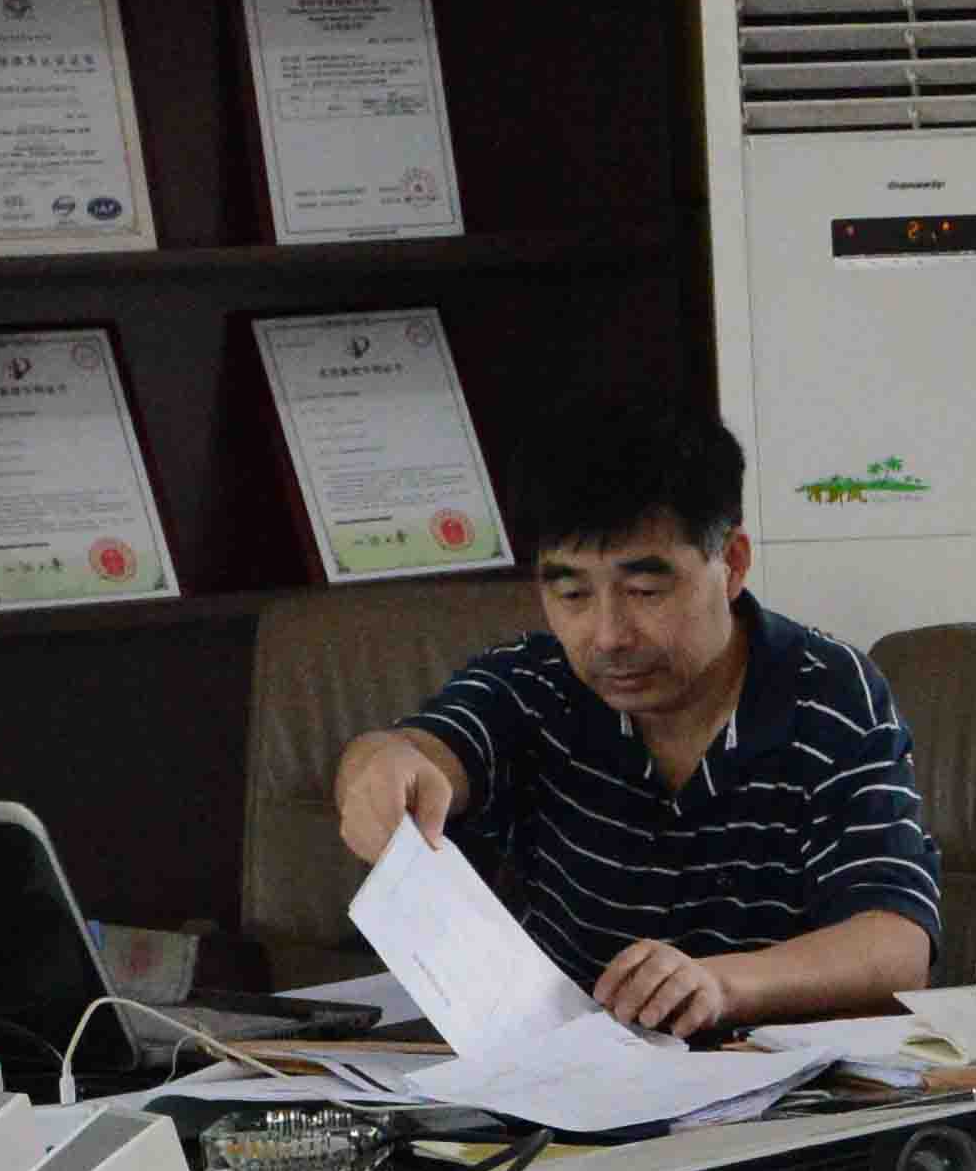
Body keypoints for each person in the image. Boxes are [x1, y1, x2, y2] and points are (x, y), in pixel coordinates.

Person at [326, 381, 941, 1036]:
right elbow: (417, 751)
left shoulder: (828, 693)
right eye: (572, 595)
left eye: (645, 589)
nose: (608, 636)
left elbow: (896, 945)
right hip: (564, 1075)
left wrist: (720, 983)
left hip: (771, 1073)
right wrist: (377, 767)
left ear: (732, 564)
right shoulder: (536, 684)